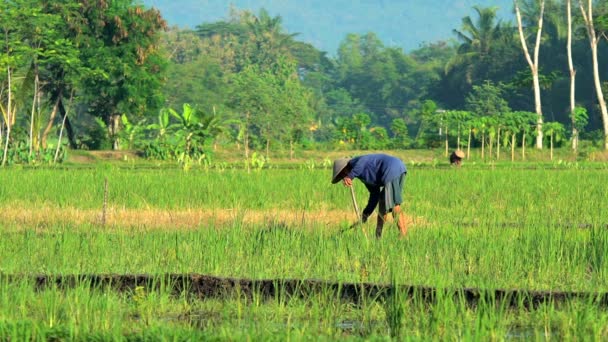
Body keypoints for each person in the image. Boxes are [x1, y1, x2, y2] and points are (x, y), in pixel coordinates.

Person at [332, 154, 407, 238]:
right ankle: (378, 236)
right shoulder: (364, 175)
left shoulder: (356, 162)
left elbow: (363, 161)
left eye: (342, 174)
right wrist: (365, 214)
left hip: (391, 168)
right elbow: (374, 195)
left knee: (393, 203)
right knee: (382, 202)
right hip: (397, 169)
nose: (343, 177)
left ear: (345, 169)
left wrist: (350, 176)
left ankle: (403, 234)